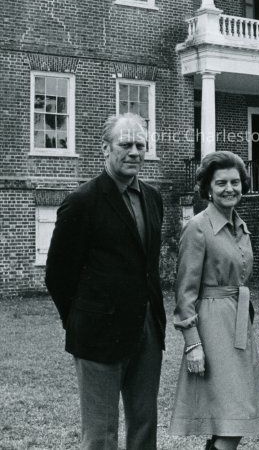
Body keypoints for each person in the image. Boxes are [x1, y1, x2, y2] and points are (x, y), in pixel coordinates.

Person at [45, 113, 165, 450]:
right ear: (105, 148)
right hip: (97, 333)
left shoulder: (153, 198)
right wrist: (81, 319)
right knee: (101, 435)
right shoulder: (82, 201)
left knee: (144, 427)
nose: (134, 152)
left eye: (140, 145)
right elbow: (58, 274)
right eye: (125, 144)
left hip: (147, 330)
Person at [170, 151, 259, 450]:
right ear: (208, 188)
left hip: (238, 325)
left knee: (234, 415)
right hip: (212, 329)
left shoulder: (241, 226)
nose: (230, 189)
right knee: (232, 414)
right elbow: (185, 291)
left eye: (235, 182)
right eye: (221, 183)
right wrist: (193, 344)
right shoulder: (197, 227)